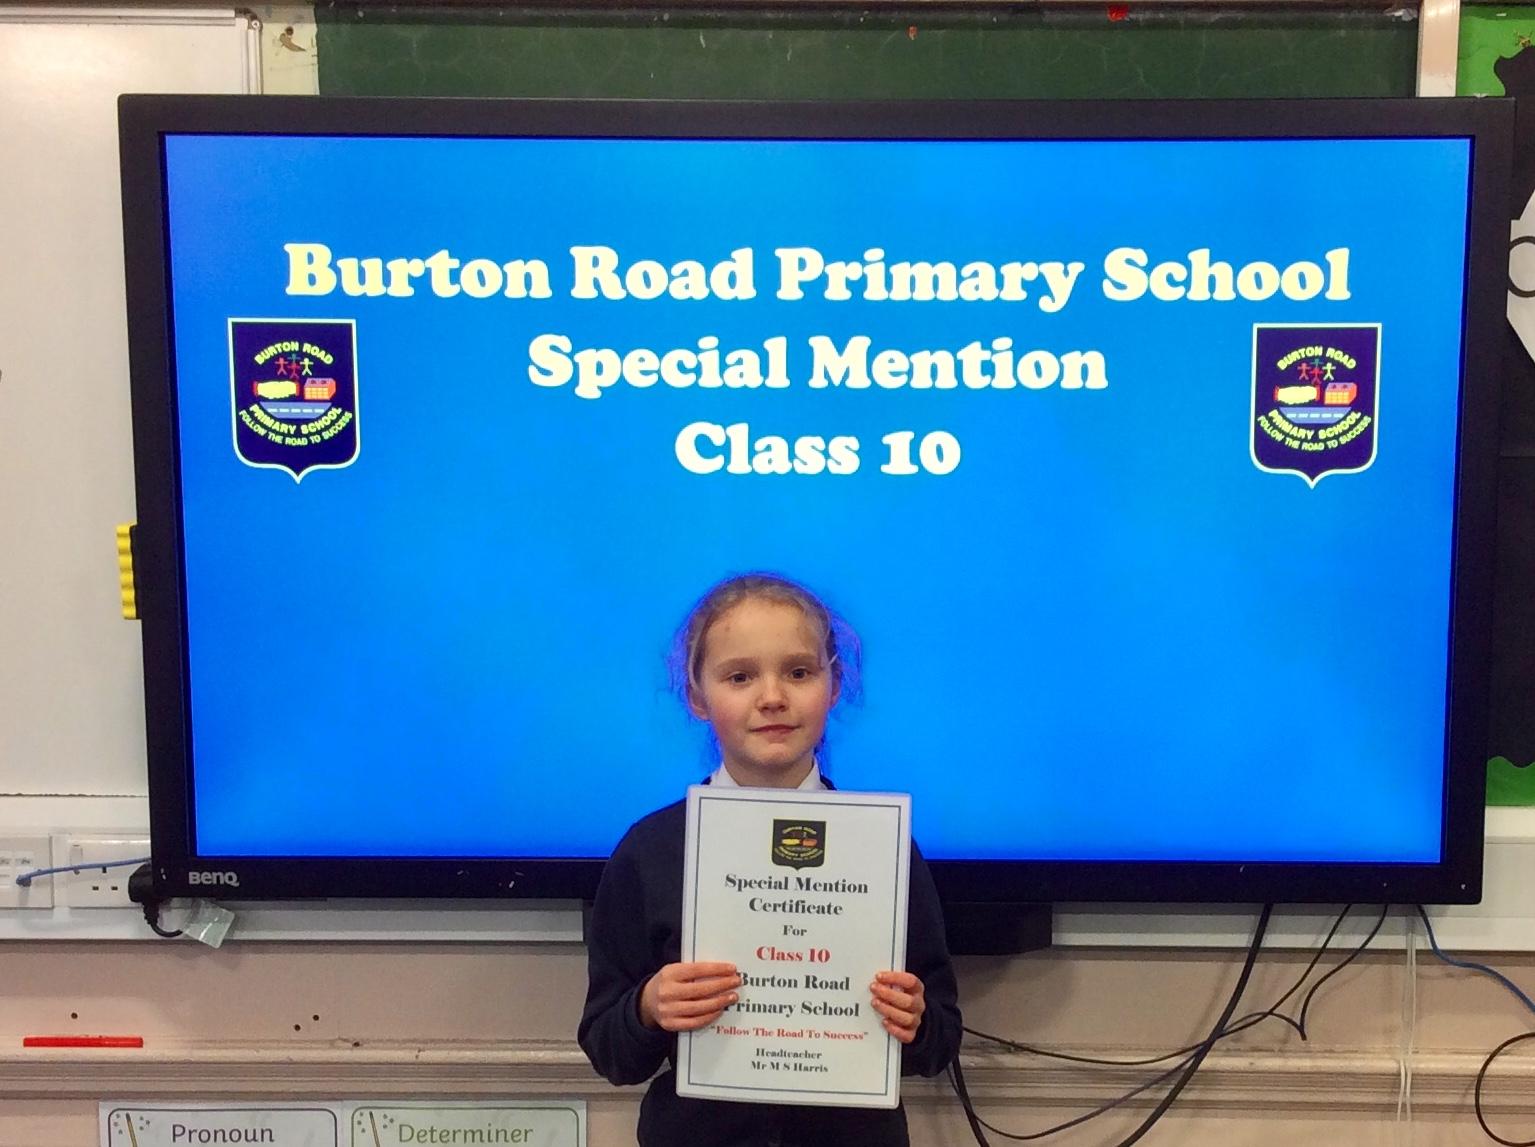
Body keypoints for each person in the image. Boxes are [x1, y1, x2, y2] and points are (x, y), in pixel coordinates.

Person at [578, 572, 962, 1146]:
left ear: (835, 685)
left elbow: (940, 1040)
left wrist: (915, 1020)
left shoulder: (884, 848)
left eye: (800, 672)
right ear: (697, 695)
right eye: (740, 676)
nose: (773, 697)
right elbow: (609, 1049)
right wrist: (649, 1007)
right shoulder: (649, 850)